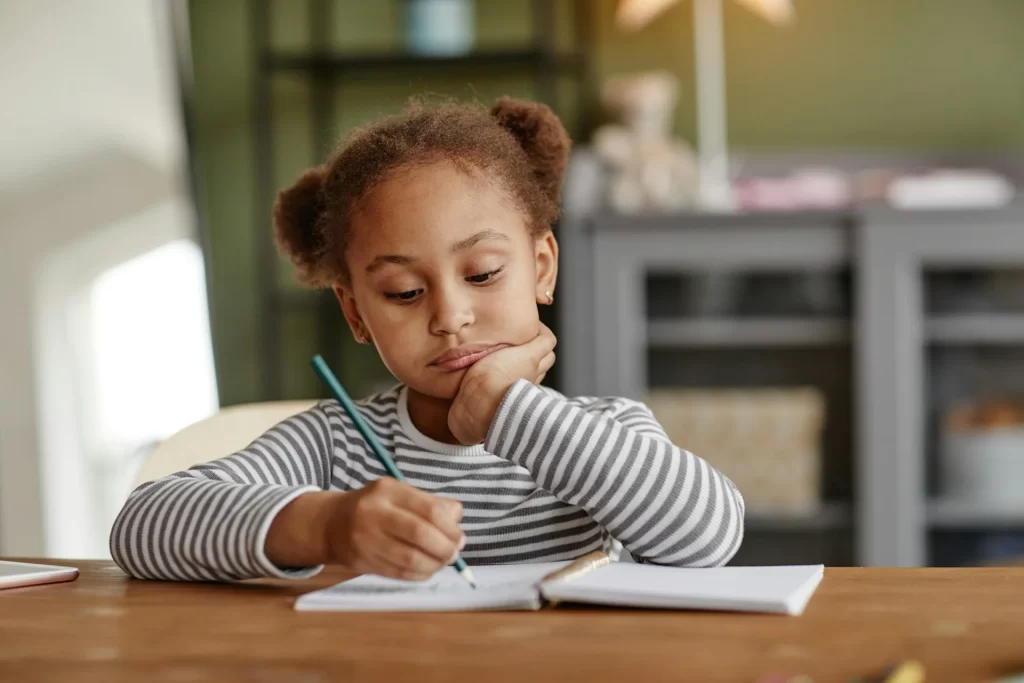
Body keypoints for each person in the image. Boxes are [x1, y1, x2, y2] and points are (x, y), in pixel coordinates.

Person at [110, 97, 745, 582]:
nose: (450, 315)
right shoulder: (336, 445)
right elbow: (142, 526)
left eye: (484, 274)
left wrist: (506, 408)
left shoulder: (604, 431)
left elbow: (709, 534)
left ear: (542, 267)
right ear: (356, 313)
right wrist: (327, 525)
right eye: (405, 293)